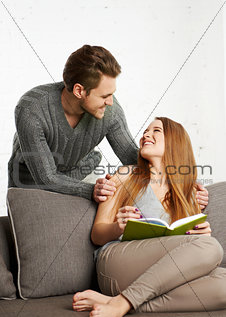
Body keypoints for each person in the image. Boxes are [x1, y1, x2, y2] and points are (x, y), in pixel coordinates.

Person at [72, 117, 226, 317]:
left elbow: (187, 255)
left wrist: (200, 236)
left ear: (175, 141)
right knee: (212, 248)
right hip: (117, 263)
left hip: (154, 278)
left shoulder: (187, 194)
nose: (146, 134)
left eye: (156, 130)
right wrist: (118, 227)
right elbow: (97, 235)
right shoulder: (125, 176)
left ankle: (119, 302)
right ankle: (122, 302)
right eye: (145, 130)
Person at [8, 45, 208, 205]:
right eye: (104, 95)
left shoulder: (110, 111)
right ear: (79, 91)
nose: (111, 102)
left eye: (112, 94)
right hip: (31, 182)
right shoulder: (31, 110)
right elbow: (46, 177)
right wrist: (91, 190)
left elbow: (132, 157)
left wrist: (183, 185)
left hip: (82, 174)